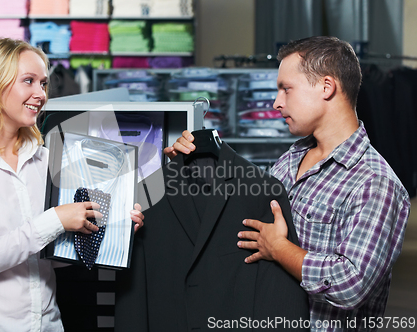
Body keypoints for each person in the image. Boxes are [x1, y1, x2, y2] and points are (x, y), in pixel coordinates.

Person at [164, 36, 410, 331]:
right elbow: (247, 205)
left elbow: (351, 283)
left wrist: (279, 249)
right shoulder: (292, 158)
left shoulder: (374, 183)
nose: (276, 102)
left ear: (326, 87)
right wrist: (196, 162)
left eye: (286, 89)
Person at [0, 38, 144, 331]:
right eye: (28, 81)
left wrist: (114, 230)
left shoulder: (49, 161)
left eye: (43, 83)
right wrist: (56, 219)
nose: (40, 94)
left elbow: (51, 257)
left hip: (47, 323)